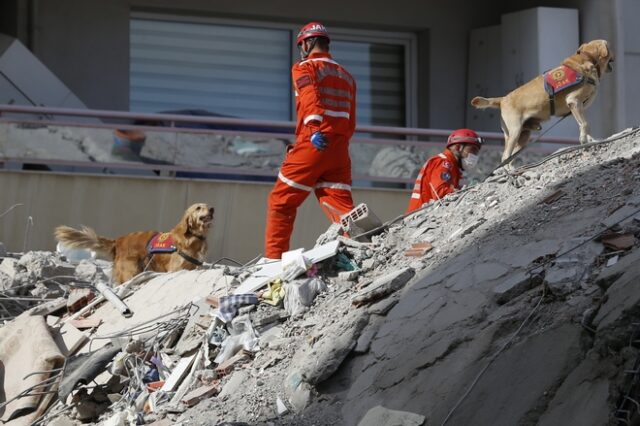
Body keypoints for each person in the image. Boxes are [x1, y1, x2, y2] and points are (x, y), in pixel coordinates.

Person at [264, 22, 357, 260]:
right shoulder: (347, 75)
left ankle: (273, 261)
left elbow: (309, 97)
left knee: (281, 202)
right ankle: (362, 248)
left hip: (314, 142)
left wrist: (314, 128)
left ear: (306, 43)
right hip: (339, 149)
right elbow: (351, 118)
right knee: (341, 207)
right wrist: (341, 142)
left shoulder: (304, 67)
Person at [406, 128, 483, 214]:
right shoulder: (443, 163)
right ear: (458, 147)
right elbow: (440, 193)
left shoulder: (452, 166)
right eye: (472, 150)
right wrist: (464, 193)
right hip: (420, 216)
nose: (474, 156)